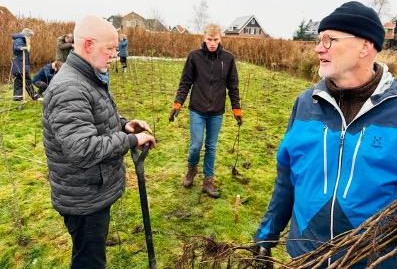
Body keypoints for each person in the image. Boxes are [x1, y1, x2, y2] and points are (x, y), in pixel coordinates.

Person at [253, 1, 397, 268]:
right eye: (319, 39)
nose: (318, 48)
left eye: (329, 39)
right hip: (306, 258)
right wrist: (266, 238)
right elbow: (287, 178)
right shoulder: (305, 103)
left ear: (365, 46)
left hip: (377, 261)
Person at [42, 15, 157, 268]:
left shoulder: (88, 77)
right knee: (89, 262)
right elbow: (82, 149)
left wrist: (123, 124)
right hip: (83, 199)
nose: (114, 55)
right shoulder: (70, 88)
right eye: (110, 48)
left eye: (116, 48)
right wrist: (130, 139)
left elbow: (92, 122)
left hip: (91, 191)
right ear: (88, 45)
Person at [169, 23, 243, 198]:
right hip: (197, 109)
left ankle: (208, 181)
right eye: (209, 39)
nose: (212, 43)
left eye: (215, 40)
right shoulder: (194, 57)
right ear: (203, 38)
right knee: (196, 145)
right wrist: (177, 104)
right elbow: (185, 82)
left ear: (220, 39)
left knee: (211, 146)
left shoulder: (228, 59)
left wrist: (236, 109)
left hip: (216, 111)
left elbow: (233, 87)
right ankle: (191, 169)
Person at [11, 28, 36, 101]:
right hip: (20, 64)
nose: (30, 38)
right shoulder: (19, 40)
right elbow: (16, 48)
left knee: (19, 80)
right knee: (27, 80)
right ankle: (34, 96)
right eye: (29, 37)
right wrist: (23, 48)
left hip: (21, 63)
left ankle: (17, 97)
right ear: (26, 35)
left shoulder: (22, 39)